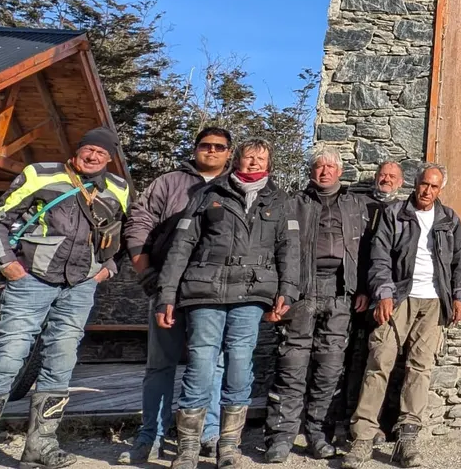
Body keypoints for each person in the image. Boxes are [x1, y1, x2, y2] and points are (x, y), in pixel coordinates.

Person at [0, 127, 131, 469]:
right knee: (7, 358)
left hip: (81, 285)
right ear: (77, 150)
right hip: (32, 279)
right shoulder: (40, 174)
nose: (94, 157)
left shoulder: (119, 189)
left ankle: (41, 446)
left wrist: (108, 268)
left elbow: (124, 234)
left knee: (61, 362)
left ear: (111, 159)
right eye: (89, 149)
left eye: (102, 153)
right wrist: (8, 264)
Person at [155, 138, 301, 469]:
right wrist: (167, 293)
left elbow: (289, 250)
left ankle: (229, 447)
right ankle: (189, 447)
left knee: (238, 363)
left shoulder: (280, 201)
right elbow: (182, 245)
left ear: (269, 164)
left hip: (251, 293)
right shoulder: (209, 195)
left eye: (261, 158)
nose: (254, 163)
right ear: (237, 159)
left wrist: (287, 291)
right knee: (201, 361)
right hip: (205, 290)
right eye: (249, 157)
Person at [120, 126, 232, 464]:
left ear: (229, 152)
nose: (211, 151)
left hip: (214, 291)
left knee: (213, 364)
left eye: (219, 147)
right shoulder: (168, 183)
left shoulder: (235, 188)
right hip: (167, 286)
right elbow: (138, 223)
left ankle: (208, 433)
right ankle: (150, 434)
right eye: (205, 145)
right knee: (160, 365)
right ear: (195, 148)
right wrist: (145, 271)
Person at [346, 164, 461, 468]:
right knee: (379, 363)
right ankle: (362, 438)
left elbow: (458, 265)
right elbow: (379, 256)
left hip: (433, 303)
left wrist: (458, 297)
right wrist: (384, 293)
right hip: (399, 298)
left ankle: (407, 442)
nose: (428, 192)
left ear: (441, 189)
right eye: (424, 185)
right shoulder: (395, 214)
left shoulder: (449, 220)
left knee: (420, 368)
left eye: (434, 187)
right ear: (415, 184)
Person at [263, 149, 372, 462]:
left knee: (329, 369)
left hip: (341, 293)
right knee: (291, 366)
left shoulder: (355, 205)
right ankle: (280, 438)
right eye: (318, 166)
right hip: (301, 292)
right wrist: (281, 290)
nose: (324, 171)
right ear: (311, 171)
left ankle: (317, 434)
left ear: (339, 171)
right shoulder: (293, 203)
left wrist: (363, 287)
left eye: (330, 166)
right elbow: (277, 247)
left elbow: (367, 249)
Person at [341, 161, 407, 438]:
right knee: (356, 359)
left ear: (401, 182)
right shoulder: (359, 206)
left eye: (392, 176)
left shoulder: (406, 211)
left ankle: (383, 422)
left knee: (389, 360)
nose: (386, 179)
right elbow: (361, 253)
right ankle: (348, 421)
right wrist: (364, 289)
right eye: (382, 175)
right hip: (363, 292)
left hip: (395, 295)